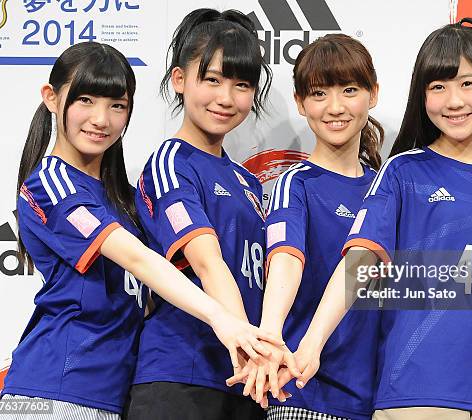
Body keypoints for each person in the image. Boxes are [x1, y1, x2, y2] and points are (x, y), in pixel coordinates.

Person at [279, 18, 472, 420]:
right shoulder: (402, 173)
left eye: (467, 83)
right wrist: (311, 345)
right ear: (422, 96)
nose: (453, 101)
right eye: (438, 87)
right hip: (414, 395)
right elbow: (359, 264)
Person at [0, 42, 280, 420]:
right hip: (54, 393)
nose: (101, 119)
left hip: (113, 394)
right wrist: (224, 320)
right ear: (51, 97)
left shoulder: (124, 199)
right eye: (85, 100)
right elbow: (138, 259)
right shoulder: (52, 183)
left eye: (117, 105)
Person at [125, 9, 287, 420]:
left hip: (246, 379)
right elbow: (208, 264)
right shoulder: (170, 163)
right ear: (180, 80)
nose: (226, 98)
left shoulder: (246, 180)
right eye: (212, 79)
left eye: (241, 84)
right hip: (181, 377)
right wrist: (252, 347)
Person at [230, 34, 383, 420]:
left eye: (349, 90)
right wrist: (270, 335)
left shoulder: (388, 187)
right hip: (305, 392)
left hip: (382, 400)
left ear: (373, 94)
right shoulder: (294, 184)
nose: (335, 108)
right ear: (300, 103)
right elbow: (285, 258)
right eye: (318, 94)